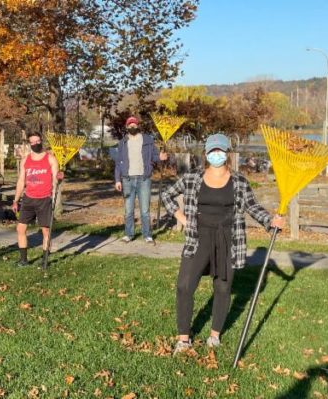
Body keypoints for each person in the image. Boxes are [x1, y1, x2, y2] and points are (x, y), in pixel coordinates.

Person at [161, 134, 285, 353]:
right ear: (206, 154)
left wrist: (270, 220)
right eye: (212, 151)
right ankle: (183, 338)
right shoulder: (192, 178)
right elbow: (167, 195)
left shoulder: (239, 181)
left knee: (223, 287)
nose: (216, 154)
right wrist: (181, 218)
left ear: (227, 153)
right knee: (184, 286)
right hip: (197, 238)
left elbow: (252, 206)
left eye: (220, 151)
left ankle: (215, 334)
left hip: (228, 238)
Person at [12, 132, 63, 269]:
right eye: (32, 142)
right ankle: (23, 260)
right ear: (29, 144)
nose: (35, 144)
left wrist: (58, 178)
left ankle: (44, 260)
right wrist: (16, 200)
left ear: (42, 141)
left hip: (44, 199)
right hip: (28, 199)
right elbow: (21, 181)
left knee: (46, 231)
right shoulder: (25, 160)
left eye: (38, 141)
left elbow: (55, 180)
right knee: (20, 228)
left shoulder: (51, 159)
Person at [113, 116, 167, 244]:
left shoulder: (148, 140)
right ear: (127, 127)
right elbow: (118, 163)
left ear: (138, 126)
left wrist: (160, 157)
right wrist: (117, 180)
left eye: (134, 124)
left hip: (144, 179)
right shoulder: (122, 142)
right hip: (127, 179)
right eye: (129, 124)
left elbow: (154, 156)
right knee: (129, 210)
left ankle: (147, 235)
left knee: (145, 210)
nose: (132, 126)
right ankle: (129, 234)